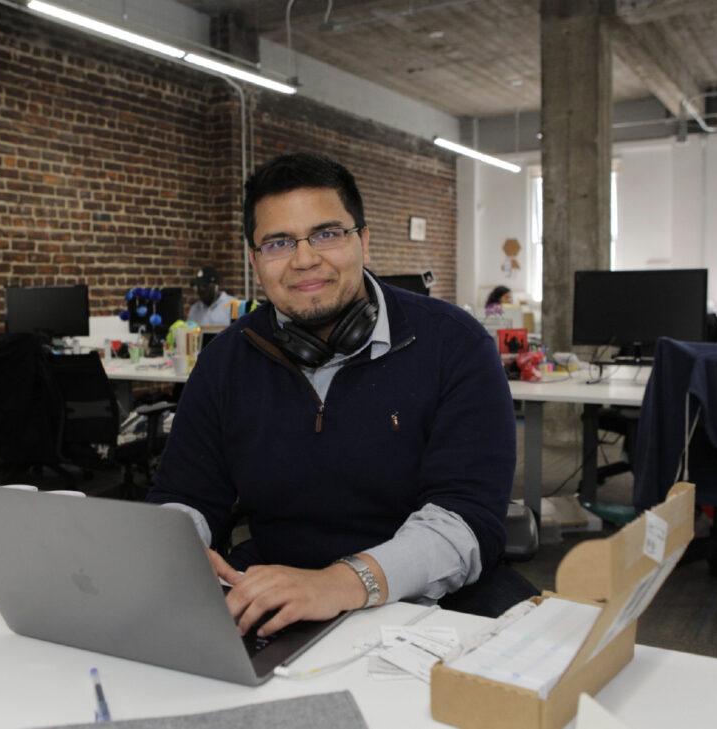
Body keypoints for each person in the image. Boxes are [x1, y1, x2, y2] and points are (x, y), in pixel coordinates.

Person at [147, 152, 530, 638]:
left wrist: (339, 583)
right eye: (278, 242)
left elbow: (465, 521)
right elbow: (184, 493)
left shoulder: (454, 344)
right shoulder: (226, 360)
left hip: (434, 599)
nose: (305, 259)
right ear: (255, 261)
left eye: (327, 234)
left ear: (364, 242)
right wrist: (174, 545)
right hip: (275, 586)